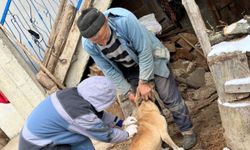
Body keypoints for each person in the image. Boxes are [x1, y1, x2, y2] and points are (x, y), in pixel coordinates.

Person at [77, 7, 197, 149]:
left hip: (151, 57)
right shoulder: (88, 44)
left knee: (169, 96)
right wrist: (128, 92)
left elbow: (144, 50)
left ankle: (187, 131)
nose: (102, 43)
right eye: (96, 41)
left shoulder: (125, 20)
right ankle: (158, 138)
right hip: (130, 68)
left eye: (102, 37)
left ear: (106, 21)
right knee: (145, 103)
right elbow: (108, 70)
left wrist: (144, 81)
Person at [19, 76, 138, 150]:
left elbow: (96, 114)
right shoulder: (79, 113)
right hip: (38, 146)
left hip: (44, 134)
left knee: (80, 139)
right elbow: (105, 134)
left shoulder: (75, 94)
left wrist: (121, 122)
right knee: (80, 137)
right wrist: (127, 134)